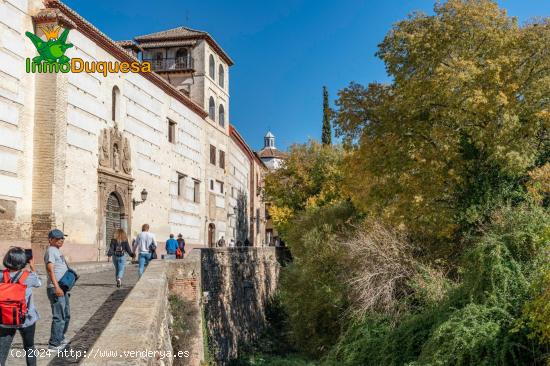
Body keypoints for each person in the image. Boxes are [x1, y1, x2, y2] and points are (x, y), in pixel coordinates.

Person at [0, 247, 41, 366]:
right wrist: (33, 267)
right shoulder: (29, 277)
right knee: (29, 347)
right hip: (27, 319)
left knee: (2, 351)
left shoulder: (1, 275)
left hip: (5, 319)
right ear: (24, 261)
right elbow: (39, 282)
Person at [44, 229, 71, 351]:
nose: (61, 240)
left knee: (66, 314)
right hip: (56, 288)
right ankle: (54, 343)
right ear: (51, 240)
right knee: (59, 316)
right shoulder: (50, 251)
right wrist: (57, 287)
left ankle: (60, 337)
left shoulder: (56, 251)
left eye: (62, 238)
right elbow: (50, 269)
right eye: (58, 238)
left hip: (62, 288)